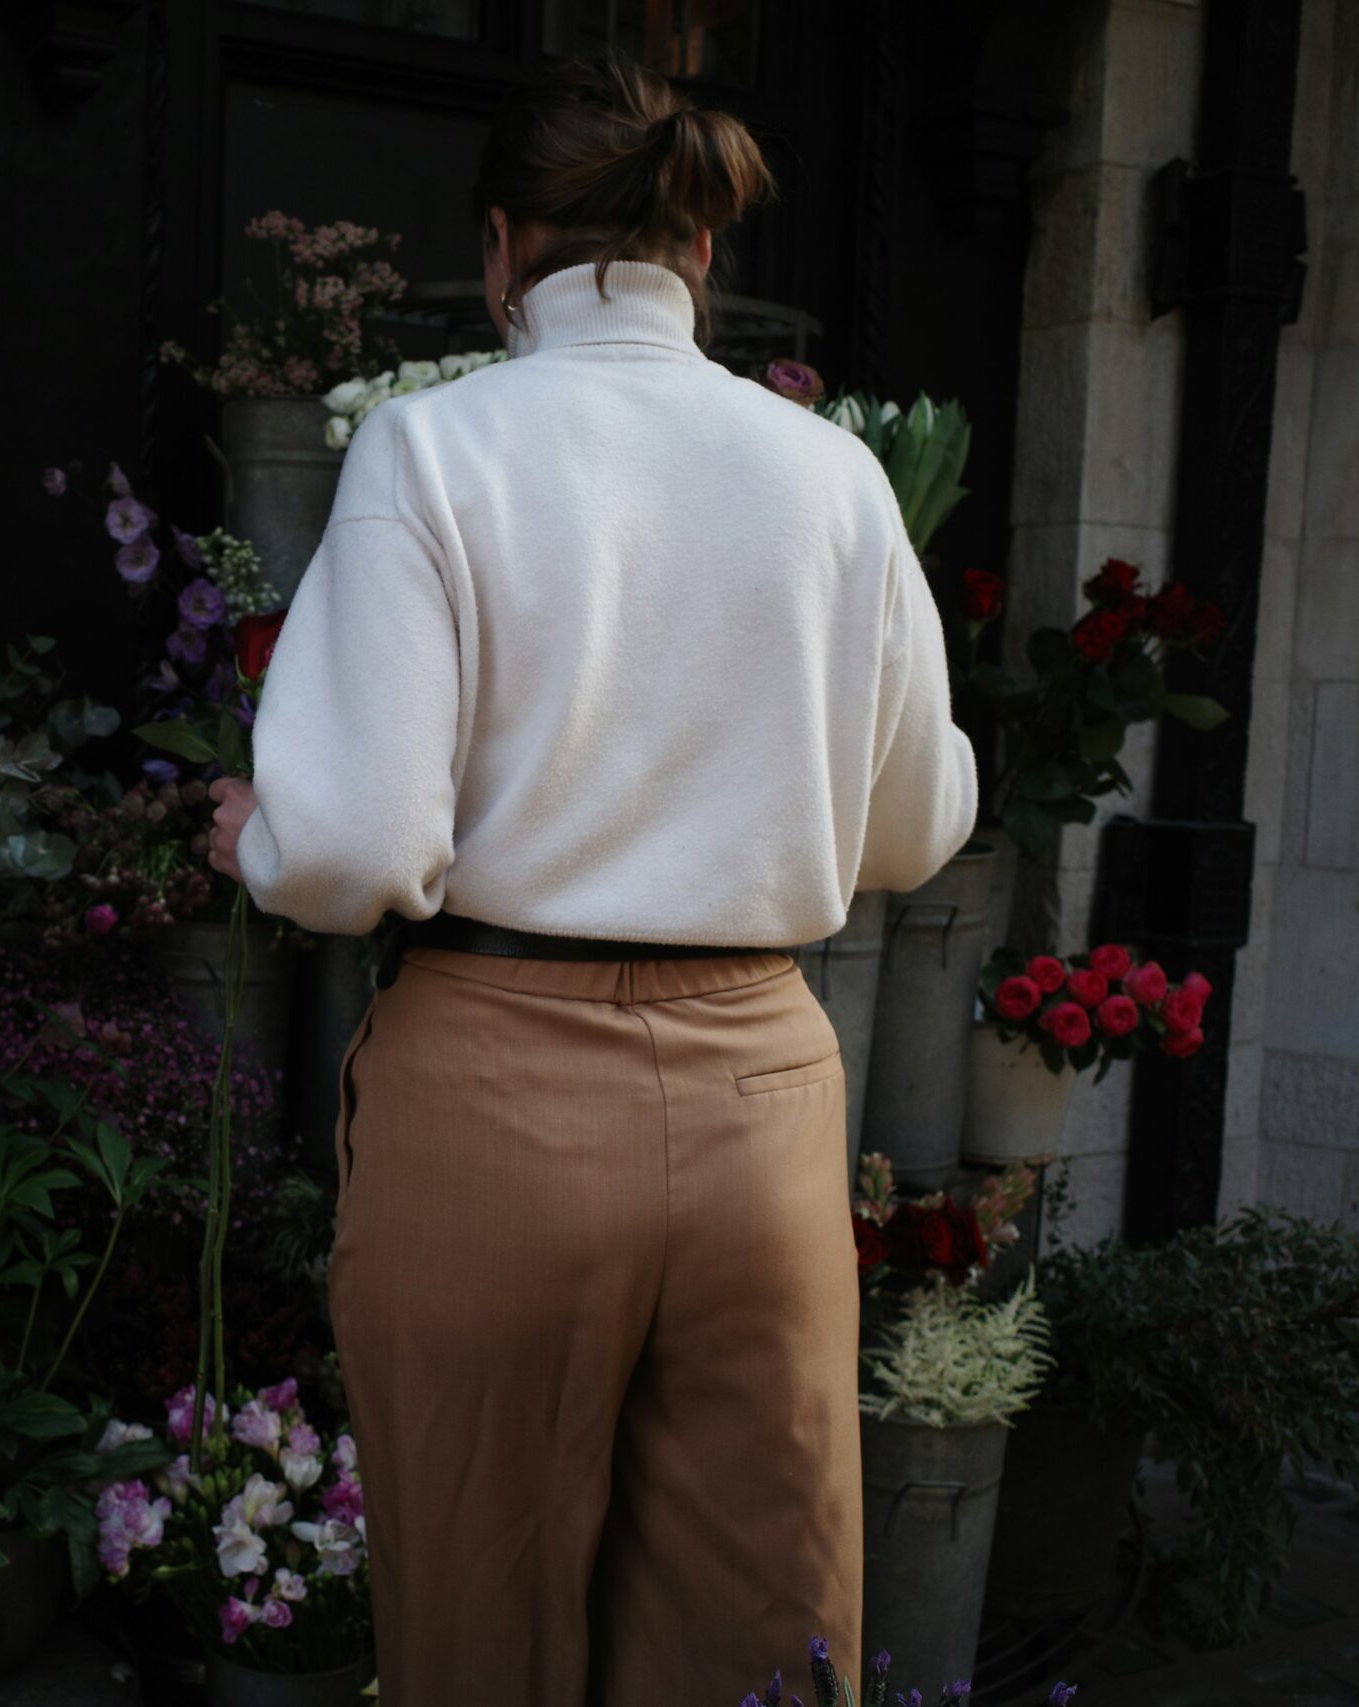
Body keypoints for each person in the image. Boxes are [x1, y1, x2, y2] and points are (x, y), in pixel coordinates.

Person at [204, 58, 976, 1707]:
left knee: (484, 1625)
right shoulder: (829, 476)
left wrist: (258, 839)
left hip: (494, 1084)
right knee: (758, 1636)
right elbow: (914, 833)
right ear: (701, 253)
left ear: (502, 250)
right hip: (763, 1093)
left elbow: (348, 846)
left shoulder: (434, 450)